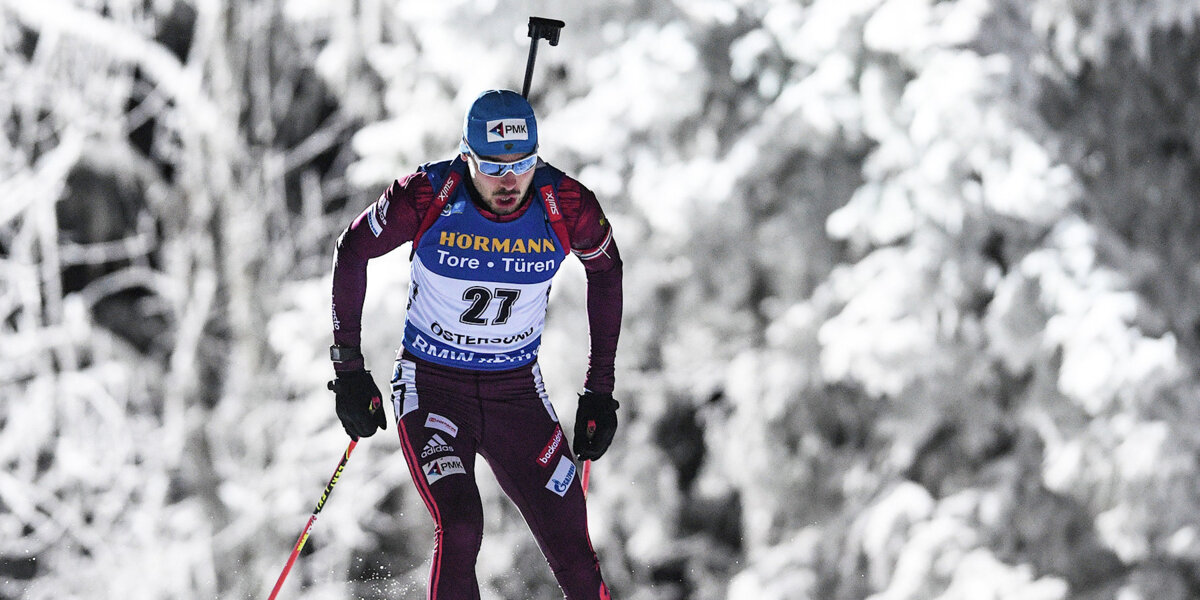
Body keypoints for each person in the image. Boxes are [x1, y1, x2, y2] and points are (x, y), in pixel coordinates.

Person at [326, 89, 622, 600]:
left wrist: (600, 388)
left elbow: (606, 270)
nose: (509, 182)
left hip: (516, 395)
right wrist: (350, 369)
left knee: (574, 549)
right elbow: (353, 250)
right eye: (491, 166)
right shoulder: (428, 193)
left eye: (522, 164)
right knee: (461, 524)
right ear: (467, 158)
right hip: (433, 387)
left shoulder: (566, 204)